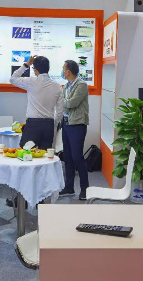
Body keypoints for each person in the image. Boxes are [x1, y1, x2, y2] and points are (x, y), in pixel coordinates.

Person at [10, 55, 63, 150]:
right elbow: (60, 110)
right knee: (45, 155)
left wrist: (26, 65)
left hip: (33, 124)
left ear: (35, 70)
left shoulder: (31, 81)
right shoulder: (57, 86)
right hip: (49, 125)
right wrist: (53, 124)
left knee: (26, 153)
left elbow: (13, 79)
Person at [58, 60, 90, 201]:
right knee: (68, 157)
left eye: (63, 68)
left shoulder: (81, 85)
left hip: (77, 125)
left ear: (68, 71)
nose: (62, 71)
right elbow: (65, 104)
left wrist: (61, 101)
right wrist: (63, 102)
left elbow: (71, 103)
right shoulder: (66, 85)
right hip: (66, 124)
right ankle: (69, 187)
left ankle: (85, 188)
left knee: (77, 157)